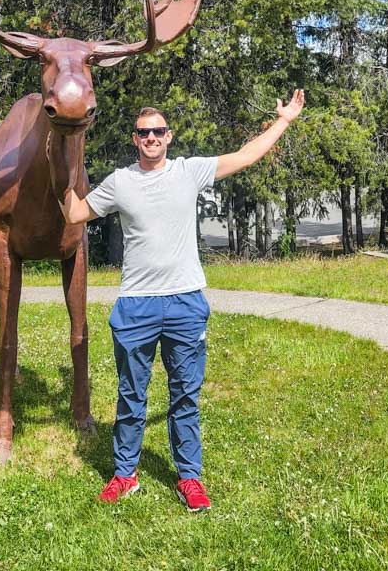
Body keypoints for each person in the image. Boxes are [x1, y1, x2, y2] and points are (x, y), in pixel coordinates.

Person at [56, 90, 306, 512]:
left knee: (184, 397)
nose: (151, 137)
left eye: (158, 131)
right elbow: (76, 214)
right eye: (143, 132)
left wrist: (282, 122)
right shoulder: (119, 181)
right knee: (131, 397)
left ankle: (189, 478)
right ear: (135, 139)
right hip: (135, 305)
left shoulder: (189, 172)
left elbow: (244, 156)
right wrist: (62, 170)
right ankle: (125, 474)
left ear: (169, 137)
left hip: (185, 303)